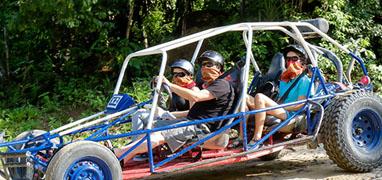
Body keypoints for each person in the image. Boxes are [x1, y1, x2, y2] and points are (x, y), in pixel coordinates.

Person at [115, 50, 235, 162]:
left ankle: (119, 155)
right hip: (189, 122)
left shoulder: (222, 84)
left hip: (200, 128)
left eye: (209, 64)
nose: (204, 67)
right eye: (203, 65)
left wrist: (169, 84)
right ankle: (125, 156)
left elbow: (196, 97)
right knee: (149, 128)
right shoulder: (206, 85)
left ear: (219, 68)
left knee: (157, 135)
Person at [246, 44, 313, 147]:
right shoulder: (284, 79)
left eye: (294, 59)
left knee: (259, 97)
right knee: (244, 97)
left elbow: (301, 105)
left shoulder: (304, 80)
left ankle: (257, 138)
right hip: (280, 109)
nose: (291, 62)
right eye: (288, 59)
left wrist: (278, 107)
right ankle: (241, 136)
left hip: (291, 114)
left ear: (302, 61)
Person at [131, 59, 199, 136]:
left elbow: (192, 114)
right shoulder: (174, 88)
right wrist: (158, 88)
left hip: (182, 121)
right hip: (168, 117)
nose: (176, 77)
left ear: (190, 76)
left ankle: (139, 145)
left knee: (151, 125)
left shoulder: (193, 90)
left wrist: (168, 114)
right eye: (174, 74)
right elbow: (165, 105)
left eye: (180, 74)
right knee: (139, 113)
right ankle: (135, 142)